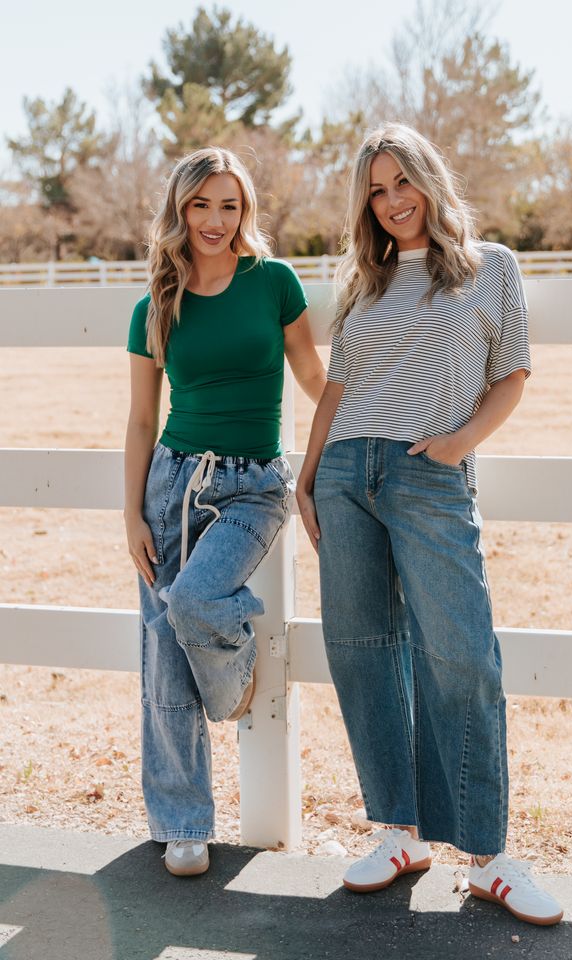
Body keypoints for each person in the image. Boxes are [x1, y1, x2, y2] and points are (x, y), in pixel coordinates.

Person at [296, 123, 563, 926]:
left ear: (430, 179)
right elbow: (339, 388)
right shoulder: (365, 283)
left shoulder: (492, 269)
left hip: (428, 475)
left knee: (461, 653)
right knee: (363, 653)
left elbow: (511, 376)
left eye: (402, 181)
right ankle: (398, 832)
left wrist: (454, 446)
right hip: (347, 476)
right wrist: (309, 476)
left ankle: (485, 857)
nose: (392, 200)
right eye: (376, 190)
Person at [125, 146, 325, 877]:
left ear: (246, 212)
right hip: (171, 481)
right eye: (201, 204)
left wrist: (344, 439)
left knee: (197, 602)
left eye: (229, 205)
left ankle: (235, 677)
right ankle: (183, 823)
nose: (214, 220)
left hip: (253, 486)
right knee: (161, 657)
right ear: (180, 209)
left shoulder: (272, 282)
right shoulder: (157, 303)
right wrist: (131, 515)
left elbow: (310, 373)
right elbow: (142, 419)